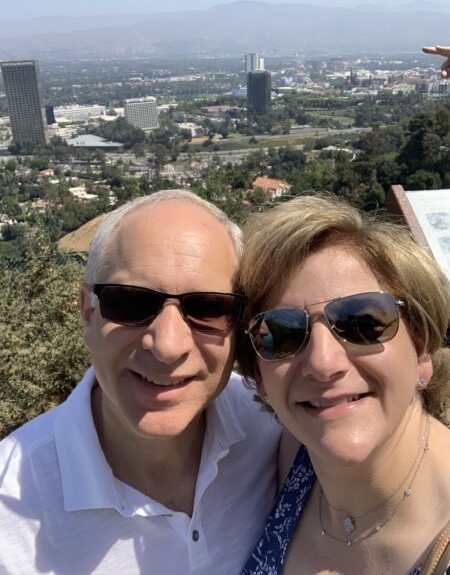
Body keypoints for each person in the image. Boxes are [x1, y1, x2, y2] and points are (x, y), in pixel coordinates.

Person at [0, 190, 281, 574]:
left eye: (209, 308)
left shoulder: (275, 428)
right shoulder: (9, 512)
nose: (166, 346)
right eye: (130, 302)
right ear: (87, 314)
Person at [236, 194, 450, 574]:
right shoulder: (289, 460)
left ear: (420, 352)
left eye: (363, 323)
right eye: (282, 334)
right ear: (259, 376)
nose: (322, 363)